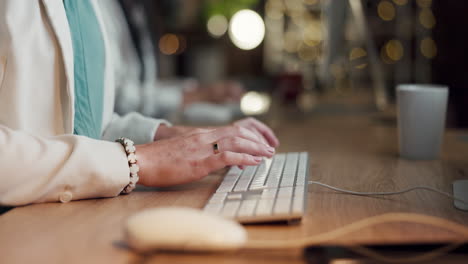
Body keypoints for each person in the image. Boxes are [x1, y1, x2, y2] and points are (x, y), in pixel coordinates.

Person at [0, 0, 279, 206]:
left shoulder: (92, 7)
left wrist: (173, 137)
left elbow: (84, 126)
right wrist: (140, 161)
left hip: (74, 215)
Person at [98, 0, 244, 119]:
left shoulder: (138, 10)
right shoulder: (99, 9)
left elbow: (144, 84)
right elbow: (116, 98)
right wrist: (192, 96)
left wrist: (199, 91)